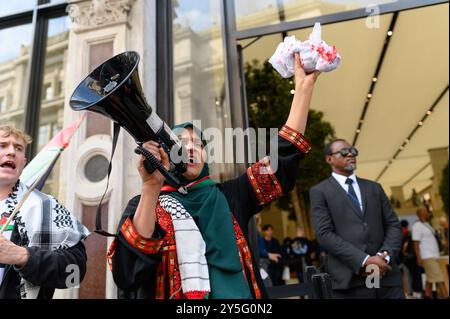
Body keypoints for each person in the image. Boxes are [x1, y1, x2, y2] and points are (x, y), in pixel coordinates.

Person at [107, 53, 320, 299]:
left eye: (198, 144)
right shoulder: (145, 203)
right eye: (182, 143)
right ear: (166, 153)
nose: (190, 148)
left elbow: (280, 160)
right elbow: (127, 273)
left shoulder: (231, 195)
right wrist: (151, 186)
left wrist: (303, 90)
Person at [0, 125, 89, 299]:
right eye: (3, 145)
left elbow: (75, 274)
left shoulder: (45, 206)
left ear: (23, 163)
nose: (11, 152)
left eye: (18, 148)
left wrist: (22, 256)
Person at [310, 139, 403, 299]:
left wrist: (384, 256)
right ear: (329, 159)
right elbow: (324, 234)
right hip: (349, 281)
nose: (350, 154)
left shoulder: (374, 188)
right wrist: (365, 260)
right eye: (343, 152)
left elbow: (393, 225)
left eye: (353, 151)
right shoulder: (320, 192)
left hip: (386, 278)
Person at [412, 208, 448, 299]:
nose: (428, 213)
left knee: (430, 279)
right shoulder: (417, 226)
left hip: (434, 256)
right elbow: (416, 243)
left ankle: (427, 296)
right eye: (427, 212)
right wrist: (419, 258)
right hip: (427, 256)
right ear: (422, 214)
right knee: (440, 278)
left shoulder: (427, 224)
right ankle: (446, 296)